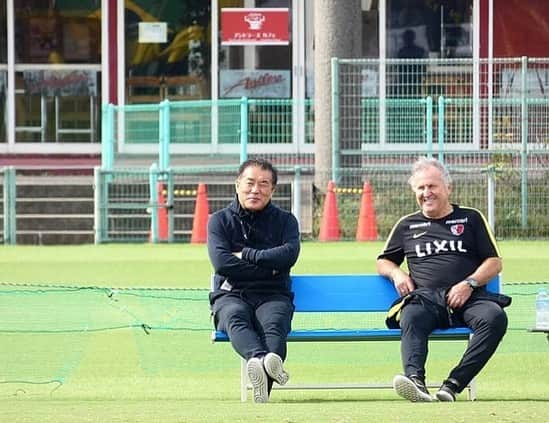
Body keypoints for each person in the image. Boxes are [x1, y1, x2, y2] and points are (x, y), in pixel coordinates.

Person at [377, 157, 510, 402]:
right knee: (411, 315)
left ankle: (453, 384)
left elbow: (494, 262)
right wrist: (397, 273)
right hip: (426, 300)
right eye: (421, 188)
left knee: (495, 318)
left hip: (469, 298)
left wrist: (469, 283)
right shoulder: (407, 225)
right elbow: (383, 261)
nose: (426, 193)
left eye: (432, 186)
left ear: (448, 188)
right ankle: (415, 383)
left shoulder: (471, 218)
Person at [207, 158, 300, 403]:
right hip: (231, 293)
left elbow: (289, 255)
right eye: (249, 183)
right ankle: (259, 359)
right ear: (237, 185)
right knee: (234, 317)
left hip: (273, 293)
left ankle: (262, 382)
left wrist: (248, 254)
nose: (255, 190)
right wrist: (269, 268)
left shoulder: (286, 220)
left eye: (263, 184)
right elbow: (222, 263)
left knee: (275, 324)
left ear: (273, 189)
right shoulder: (219, 220)